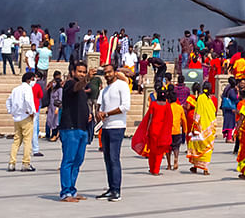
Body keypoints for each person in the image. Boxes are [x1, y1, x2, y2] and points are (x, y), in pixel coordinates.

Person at [95, 62, 129, 201]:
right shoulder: (105, 90)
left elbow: (125, 106)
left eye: (109, 72)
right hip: (106, 127)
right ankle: (111, 188)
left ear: (115, 72)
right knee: (107, 159)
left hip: (117, 126)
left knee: (114, 158)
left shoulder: (122, 85)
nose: (107, 74)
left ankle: (117, 190)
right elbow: (100, 106)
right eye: (105, 72)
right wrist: (99, 113)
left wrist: (107, 113)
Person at [59, 60, 91, 202]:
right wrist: (87, 78)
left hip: (81, 129)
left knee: (78, 161)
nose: (82, 74)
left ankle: (72, 190)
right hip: (70, 128)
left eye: (84, 72)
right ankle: (65, 192)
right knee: (69, 160)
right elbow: (77, 86)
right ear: (73, 72)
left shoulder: (83, 89)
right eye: (80, 72)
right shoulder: (70, 84)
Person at [133, 84, 174, 176]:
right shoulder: (167, 106)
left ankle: (152, 169)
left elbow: (150, 118)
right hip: (162, 131)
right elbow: (169, 120)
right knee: (159, 152)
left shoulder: (154, 104)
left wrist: (147, 130)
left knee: (152, 151)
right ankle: (156, 170)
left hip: (153, 130)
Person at [6, 70, 37, 172]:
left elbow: (8, 101)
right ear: (29, 80)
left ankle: (12, 162)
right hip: (26, 117)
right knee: (27, 141)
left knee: (16, 141)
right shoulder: (27, 89)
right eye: (33, 79)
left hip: (17, 118)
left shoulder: (16, 89)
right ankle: (26, 163)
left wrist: (11, 111)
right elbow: (28, 100)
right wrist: (31, 111)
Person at [187, 82, 217, 175]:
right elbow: (214, 113)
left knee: (197, 146)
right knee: (207, 148)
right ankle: (204, 168)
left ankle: (197, 166)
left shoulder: (200, 98)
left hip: (201, 127)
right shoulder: (210, 100)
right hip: (209, 128)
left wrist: (195, 123)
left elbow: (198, 112)